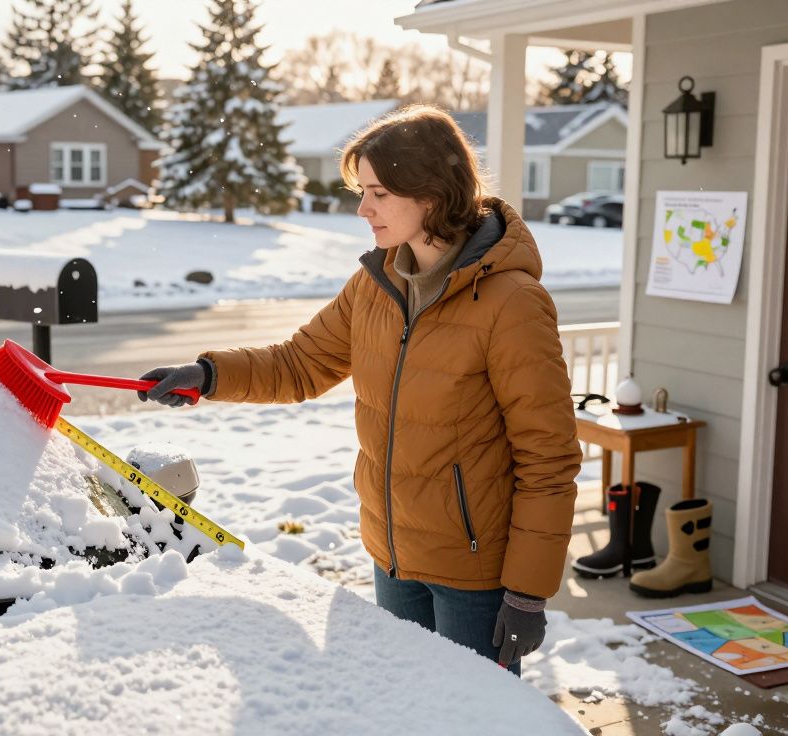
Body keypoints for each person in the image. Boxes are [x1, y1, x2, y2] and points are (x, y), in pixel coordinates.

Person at [136, 105, 581, 676]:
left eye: (377, 193)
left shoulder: (511, 302)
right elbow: (300, 363)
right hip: (391, 555)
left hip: (474, 574)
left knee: (466, 721)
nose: (362, 207)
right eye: (361, 190)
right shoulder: (377, 284)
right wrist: (209, 375)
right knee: (398, 705)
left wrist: (527, 590)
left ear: (430, 195)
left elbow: (548, 455)